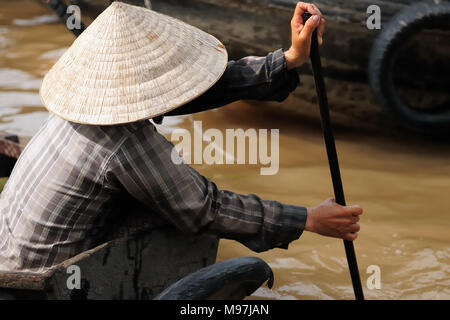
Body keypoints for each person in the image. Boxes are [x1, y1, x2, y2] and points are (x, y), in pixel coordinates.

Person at [0, 2, 362, 273]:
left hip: (10, 253)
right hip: (44, 278)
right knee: (185, 212)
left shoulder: (77, 108)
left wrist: (287, 59)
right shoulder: (125, 142)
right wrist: (308, 219)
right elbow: (205, 208)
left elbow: (198, 89)